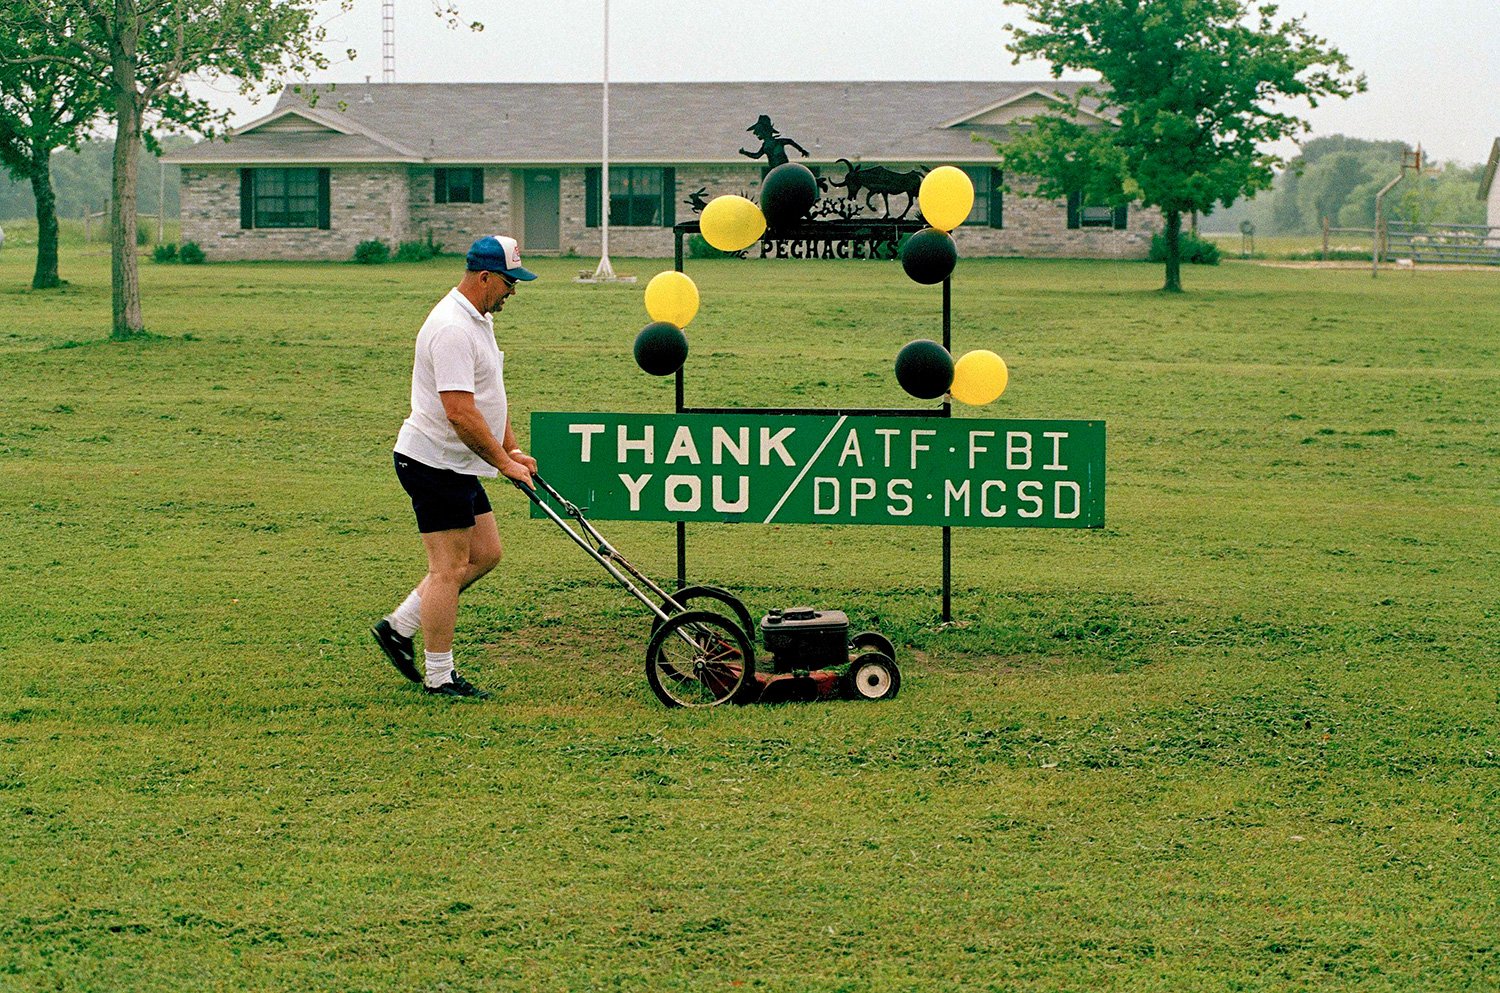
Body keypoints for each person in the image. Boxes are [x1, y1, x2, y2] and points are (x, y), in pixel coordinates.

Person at [372, 235, 538, 698]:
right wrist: (503, 463)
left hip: (458, 461)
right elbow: (459, 411)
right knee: (447, 569)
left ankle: (398, 626)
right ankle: (440, 676)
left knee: (486, 554)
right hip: (433, 461)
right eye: (509, 281)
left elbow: (487, 396)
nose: (513, 291)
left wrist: (513, 449)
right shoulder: (451, 327)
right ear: (484, 277)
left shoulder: (478, 318)